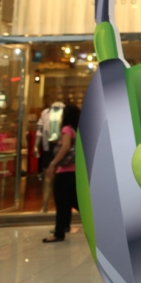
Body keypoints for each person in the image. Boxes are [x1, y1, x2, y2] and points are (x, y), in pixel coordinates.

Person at [42, 104, 80, 243]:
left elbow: (65, 147)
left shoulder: (66, 129)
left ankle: (59, 233)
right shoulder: (75, 130)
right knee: (73, 201)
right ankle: (64, 227)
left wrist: (53, 163)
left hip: (64, 172)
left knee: (62, 202)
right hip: (74, 171)